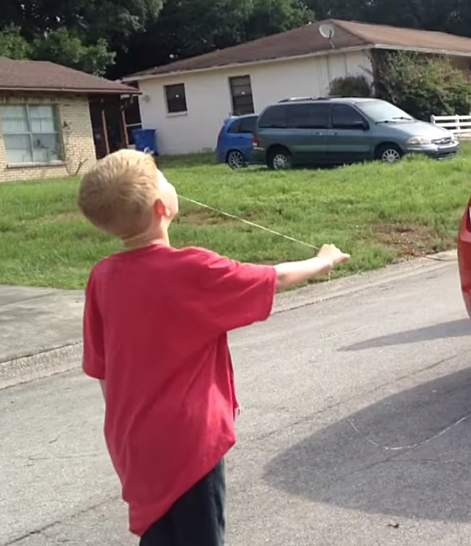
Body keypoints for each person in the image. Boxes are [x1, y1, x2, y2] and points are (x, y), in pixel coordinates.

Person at [76, 149, 349, 545]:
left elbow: (102, 369)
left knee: (159, 535)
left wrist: (123, 431)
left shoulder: (101, 277)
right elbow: (276, 277)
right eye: (165, 178)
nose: (172, 183)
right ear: (161, 208)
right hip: (189, 442)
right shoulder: (192, 270)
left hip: (132, 442)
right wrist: (322, 261)